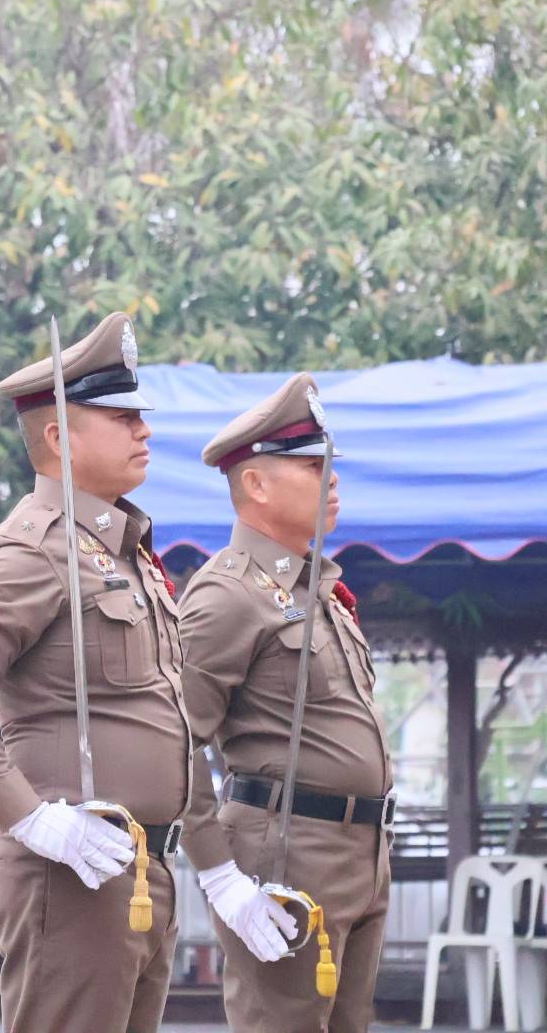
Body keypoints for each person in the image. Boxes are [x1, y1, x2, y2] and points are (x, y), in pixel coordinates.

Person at [0, 312, 190, 1032]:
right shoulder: (28, 550)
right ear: (58, 437)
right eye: (121, 417)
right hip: (68, 873)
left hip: (139, 869)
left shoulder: (126, 554)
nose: (143, 430)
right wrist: (27, 816)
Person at [178, 371, 394, 1031]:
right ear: (257, 484)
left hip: (361, 849)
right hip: (287, 851)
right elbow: (173, 740)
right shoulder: (227, 594)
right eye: (311, 466)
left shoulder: (318, 592)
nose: (332, 479)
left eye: (330, 464)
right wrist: (220, 877)